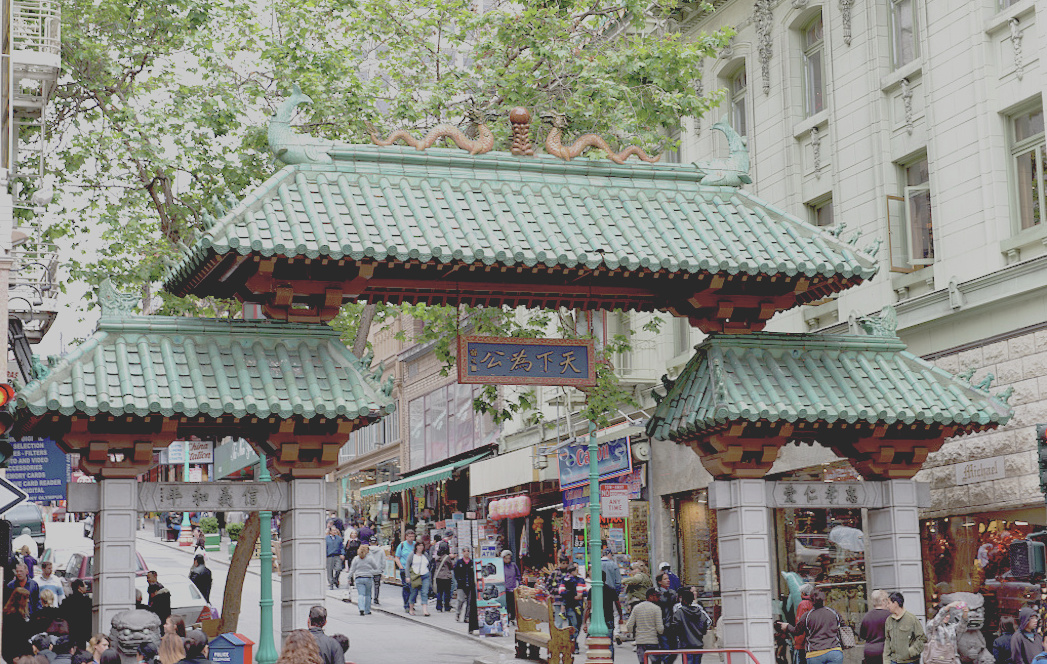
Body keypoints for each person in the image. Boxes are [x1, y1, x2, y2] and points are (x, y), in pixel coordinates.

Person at [777, 589, 844, 664]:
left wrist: (787, 626)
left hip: (815, 654)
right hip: (834, 652)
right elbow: (843, 626)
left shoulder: (807, 616)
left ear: (811, 600)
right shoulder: (833, 612)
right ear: (824, 600)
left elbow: (797, 631)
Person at [582, 571, 624, 661]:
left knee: (595, 641)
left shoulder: (592, 590)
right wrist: (621, 617)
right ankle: (610, 660)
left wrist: (584, 622)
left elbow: (588, 607)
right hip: (609, 618)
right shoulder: (611, 589)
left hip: (595, 620)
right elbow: (618, 605)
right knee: (609, 642)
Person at [670, 588, 711, 664]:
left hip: (686, 645)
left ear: (684, 600)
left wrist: (680, 635)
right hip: (698, 644)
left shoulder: (679, 613)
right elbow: (705, 624)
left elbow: (675, 627)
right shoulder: (699, 612)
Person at [624, 588, 665, 664]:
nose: (659, 598)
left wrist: (634, 634)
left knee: (643, 662)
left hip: (640, 641)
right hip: (653, 641)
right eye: (657, 596)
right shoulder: (656, 609)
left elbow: (629, 625)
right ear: (651, 596)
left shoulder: (637, 607)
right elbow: (660, 628)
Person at [885, 591, 927, 664]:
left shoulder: (911, 619)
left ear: (895, 603)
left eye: (888, 603)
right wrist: (886, 660)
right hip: (893, 661)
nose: (887, 606)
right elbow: (887, 641)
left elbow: (922, 638)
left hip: (910, 661)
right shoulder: (889, 620)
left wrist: (911, 652)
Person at [924, 600, 969, 664]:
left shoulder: (952, 626)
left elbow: (962, 627)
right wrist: (948, 606)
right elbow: (936, 621)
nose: (947, 616)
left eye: (948, 615)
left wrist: (965, 613)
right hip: (935, 659)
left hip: (951, 659)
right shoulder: (932, 625)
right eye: (945, 615)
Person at [859, 589, 891, 664]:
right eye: (887, 600)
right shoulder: (890, 616)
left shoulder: (867, 616)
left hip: (869, 651)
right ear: (883, 601)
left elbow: (862, 636)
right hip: (884, 650)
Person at [2, 587, 33, 662]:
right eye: (26, 598)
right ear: (20, 600)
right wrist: (14, 655)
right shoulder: (13, 616)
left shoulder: (21, 614)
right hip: (16, 655)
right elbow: (11, 638)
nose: (28, 601)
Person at [656, 571, 680, 663]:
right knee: (665, 649)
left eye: (668, 579)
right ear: (659, 581)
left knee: (674, 649)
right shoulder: (656, 594)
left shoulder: (673, 593)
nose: (668, 581)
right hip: (662, 625)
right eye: (665, 579)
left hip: (672, 625)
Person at [347, 543, 378, 615]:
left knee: (361, 594)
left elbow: (352, 569)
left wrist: (349, 577)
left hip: (359, 578)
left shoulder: (356, 558)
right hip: (368, 577)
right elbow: (375, 567)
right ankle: (367, 610)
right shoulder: (370, 558)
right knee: (368, 595)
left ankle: (361, 608)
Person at [62, 580, 93, 648]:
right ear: (80, 587)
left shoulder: (66, 602)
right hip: (83, 631)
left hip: (70, 631)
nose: (86, 587)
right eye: (84, 586)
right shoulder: (87, 601)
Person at [792, 584, 816, 664]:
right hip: (815, 642)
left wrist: (797, 642)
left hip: (804, 643)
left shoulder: (803, 604)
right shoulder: (814, 603)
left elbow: (800, 625)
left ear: (803, 593)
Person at [394, 530, 416, 612]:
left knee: (413, 587)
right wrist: (401, 567)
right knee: (406, 587)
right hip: (404, 569)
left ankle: (411, 604)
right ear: (406, 537)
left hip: (414, 569)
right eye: (409, 536)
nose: (411, 538)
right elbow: (397, 557)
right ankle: (406, 605)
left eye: (412, 536)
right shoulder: (402, 545)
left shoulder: (415, 545)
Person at [454, 545, 477, 626]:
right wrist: (458, 580)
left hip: (470, 585)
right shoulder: (459, 562)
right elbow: (455, 572)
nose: (466, 553)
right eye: (465, 551)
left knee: (469, 602)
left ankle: (467, 617)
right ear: (462, 553)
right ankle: (458, 613)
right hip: (461, 585)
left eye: (468, 551)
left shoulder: (472, 562)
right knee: (461, 599)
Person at [407, 541, 431, 616]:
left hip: (425, 575)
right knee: (414, 593)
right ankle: (411, 608)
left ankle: (425, 610)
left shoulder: (425, 554)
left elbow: (429, 564)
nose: (420, 547)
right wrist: (408, 576)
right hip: (415, 576)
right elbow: (408, 565)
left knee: (425, 592)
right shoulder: (412, 555)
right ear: (416, 547)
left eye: (422, 546)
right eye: (419, 546)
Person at [432, 543, 454, 613]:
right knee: (447, 592)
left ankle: (439, 607)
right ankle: (447, 607)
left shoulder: (437, 557)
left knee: (439, 592)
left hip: (438, 576)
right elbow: (451, 566)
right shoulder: (447, 557)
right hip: (446, 577)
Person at [502, 550, 521, 625]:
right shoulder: (501, 566)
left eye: (509, 558)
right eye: (506, 558)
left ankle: (513, 618)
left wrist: (518, 583)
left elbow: (518, 575)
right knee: (506, 604)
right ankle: (506, 618)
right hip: (504, 588)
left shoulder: (513, 565)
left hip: (513, 587)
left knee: (513, 604)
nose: (507, 560)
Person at [366, 536, 385, 606]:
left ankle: (369, 598)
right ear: (376, 542)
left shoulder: (367, 550)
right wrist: (382, 569)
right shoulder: (381, 550)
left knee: (369, 585)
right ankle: (376, 599)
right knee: (377, 585)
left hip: (369, 570)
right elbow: (383, 561)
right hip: (377, 570)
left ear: (369, 542)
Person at [325, 525, 344, 590]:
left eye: (335, 530)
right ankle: (331, 583)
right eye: (333, 530)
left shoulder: (339, 538)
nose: (334, 531)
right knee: (329, 570)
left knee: (339, 568)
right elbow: (324, 548)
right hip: (329, 556)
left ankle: (335, 579)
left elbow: (342, 547)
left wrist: (342, 554)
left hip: (337, 555)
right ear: (330, 531)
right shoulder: (326, 539)